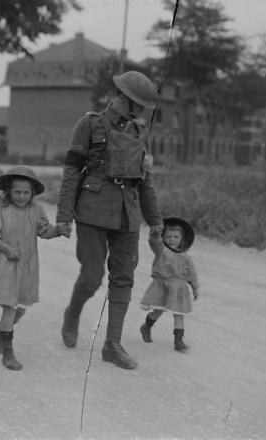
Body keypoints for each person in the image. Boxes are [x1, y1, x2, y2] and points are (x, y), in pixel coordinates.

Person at [56, 70, 164, 370]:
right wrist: (64, 216)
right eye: (138, 104)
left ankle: (112, 345)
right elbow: (71, 172)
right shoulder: (89, 124)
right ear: (123, 99)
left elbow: (145, 180)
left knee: (124, 279)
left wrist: (155, 219)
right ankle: (73, 313)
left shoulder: (139, 132)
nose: (141, 111)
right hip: (92, 210)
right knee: (92, 276)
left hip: (127, 214)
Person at [0, 166, 64, 371]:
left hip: (26, 266)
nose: (22, 196)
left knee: (21, 309)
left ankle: (2, 329)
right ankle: (8, 352)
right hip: (5, 265)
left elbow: (44, 231)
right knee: (10, 307)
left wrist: (58, 230)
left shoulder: (35, 210)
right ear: (8, 190)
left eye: (26, 192)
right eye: (17, 192)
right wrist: (5, 248)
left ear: (33, 193)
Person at [139, 217, 199, 353]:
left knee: (179, 314)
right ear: (164, 238)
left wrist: (195, 288)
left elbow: (192, 274)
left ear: (182, 239)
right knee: (158, 311)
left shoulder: (186, 258)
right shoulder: (161, 251)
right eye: (168, 237)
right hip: (162, 287)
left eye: (176, 237)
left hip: (179, 289)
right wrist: (155, 234)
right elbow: (154, 243)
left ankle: (178, 341)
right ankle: (146, 327)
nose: (172, 240)